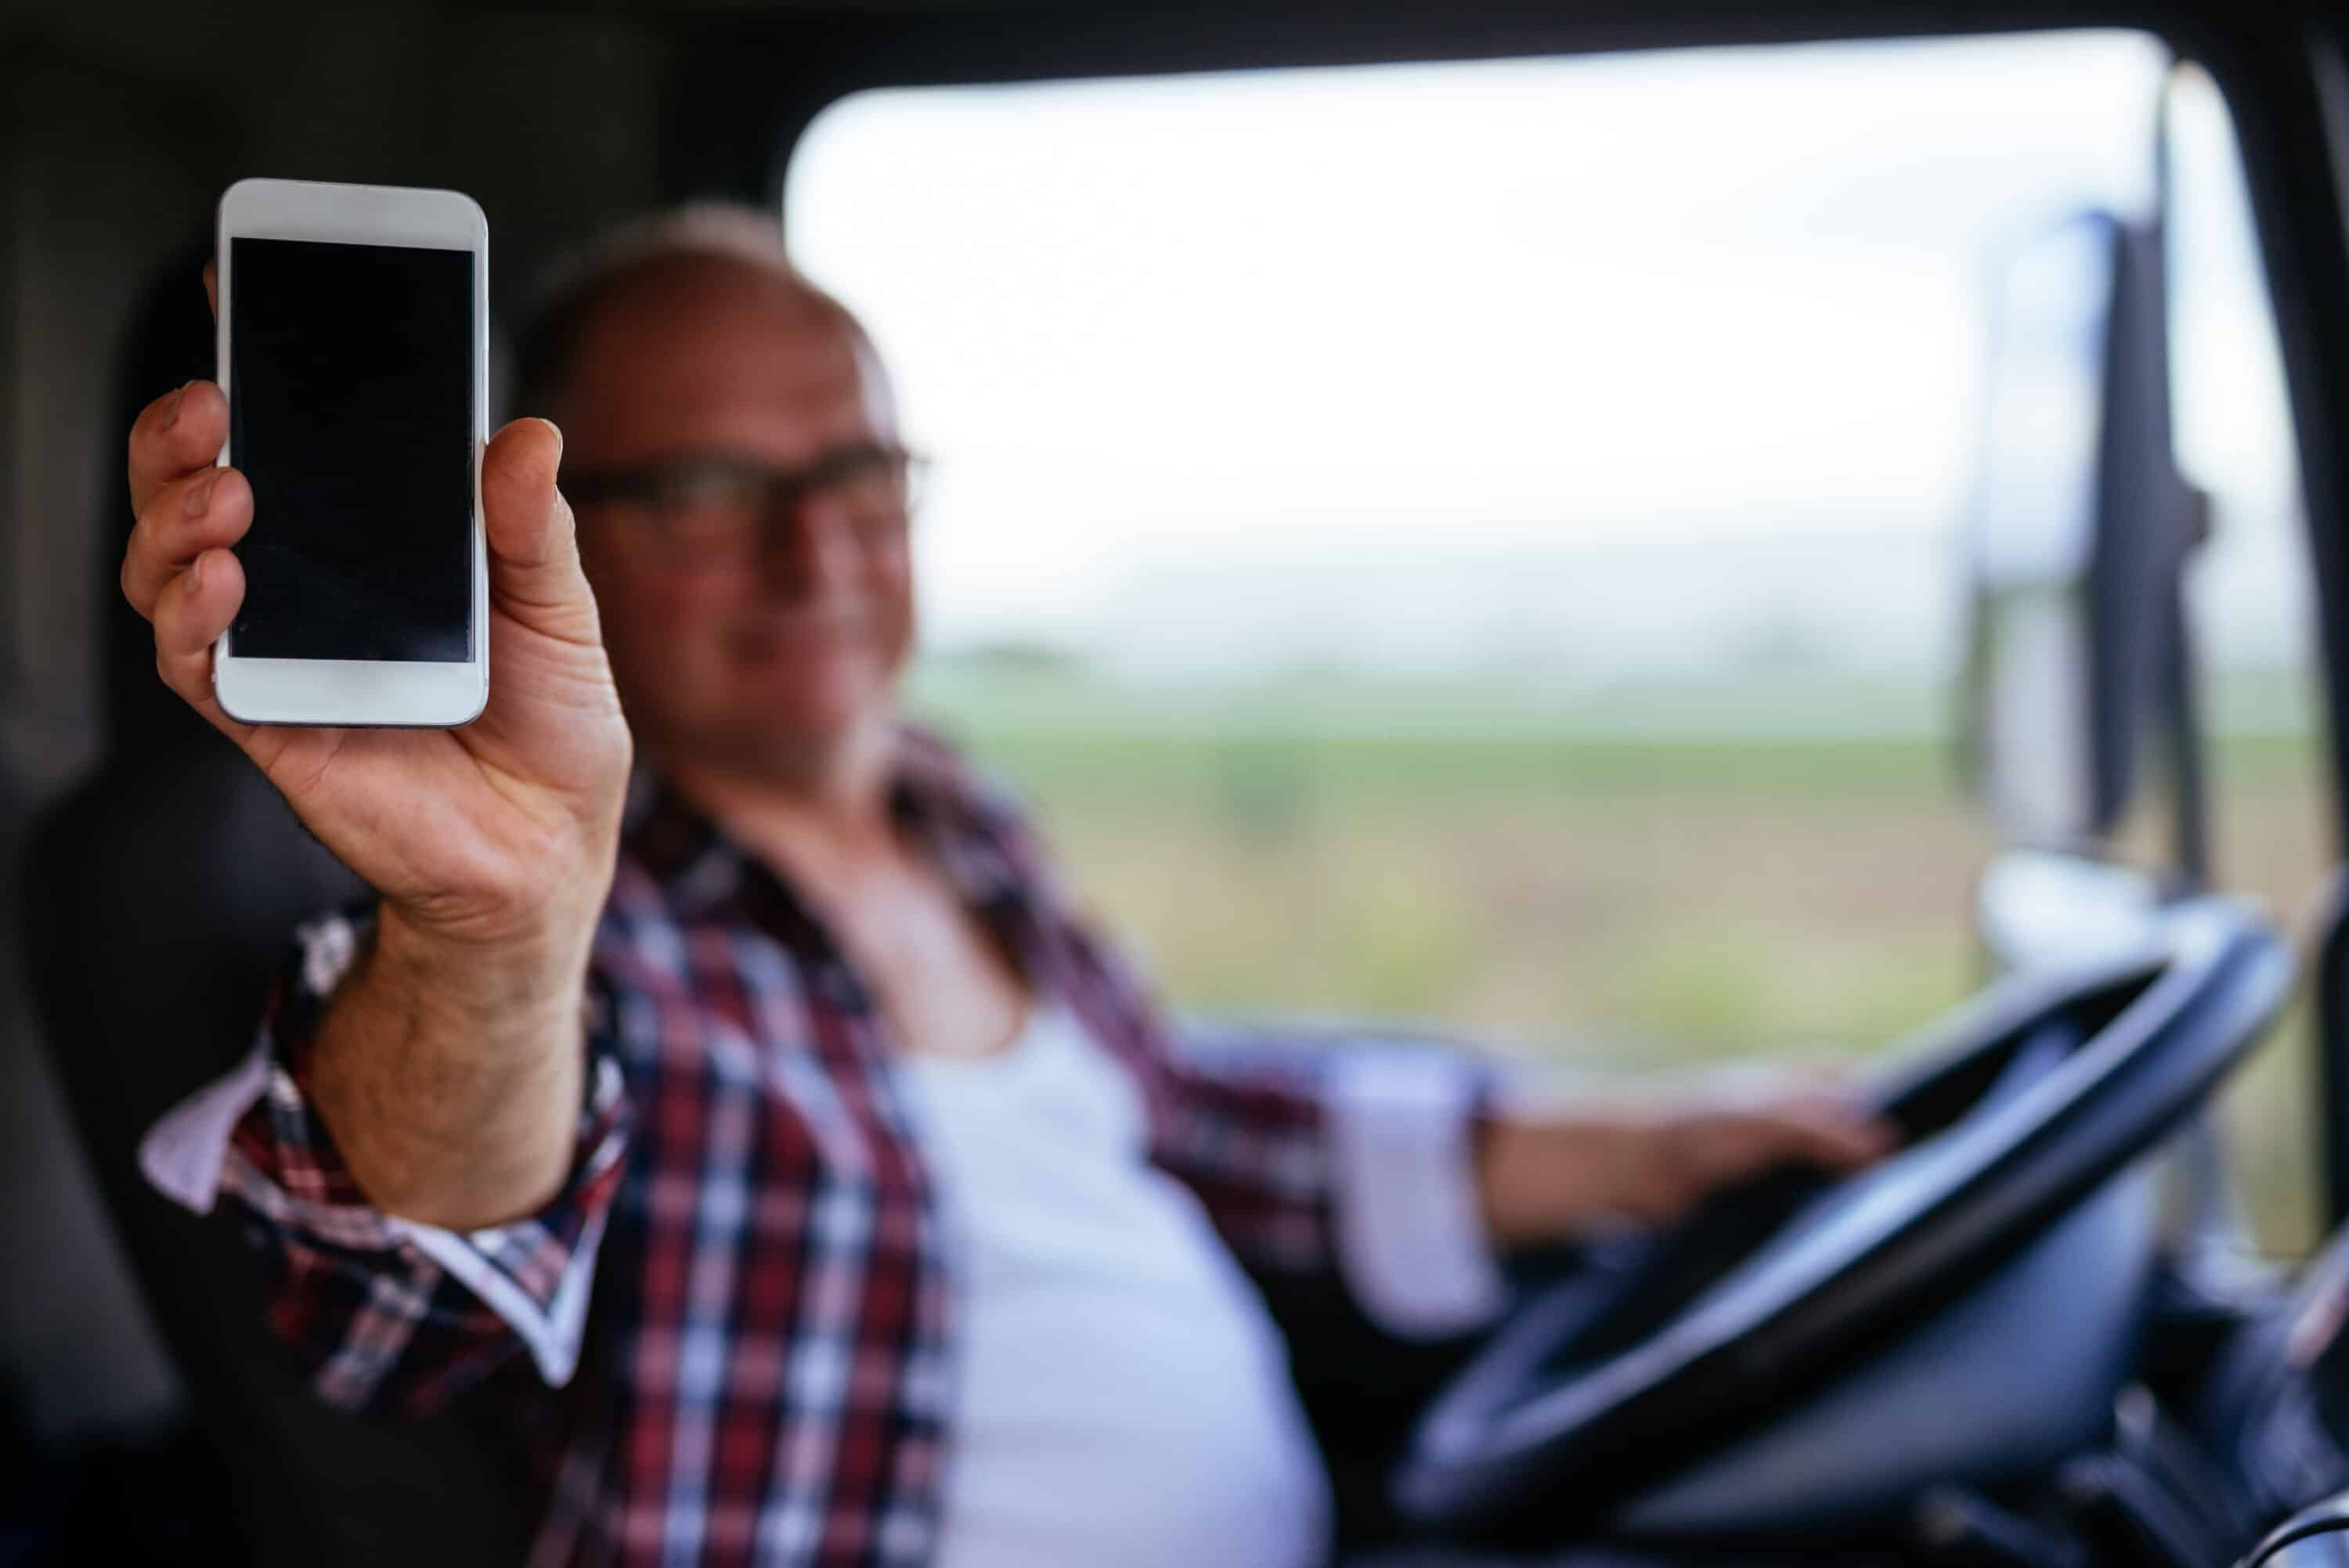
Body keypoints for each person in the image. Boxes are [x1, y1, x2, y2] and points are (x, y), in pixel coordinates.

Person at [122, 205, 1891, 1568]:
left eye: (859, 471)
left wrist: (1651, 1142)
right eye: (719, 486)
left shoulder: (958, 819)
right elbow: (389, 1301)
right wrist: (498, 930)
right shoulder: (583, 917)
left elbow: (1188, 1124)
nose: (817, 553)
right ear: (548, 534)